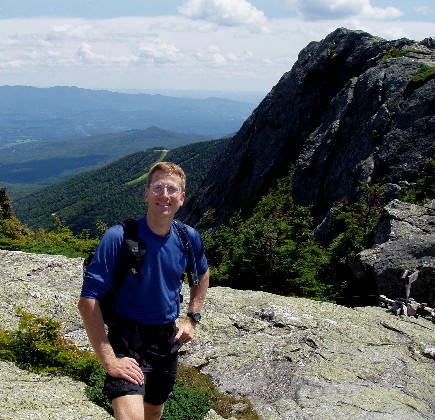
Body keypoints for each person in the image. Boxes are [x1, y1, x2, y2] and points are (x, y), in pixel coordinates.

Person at [78, 162, 210, 420]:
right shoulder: (118, 238)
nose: (165, 195)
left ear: (182, 199)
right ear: (146, 193)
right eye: (158, 187)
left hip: (166, 342)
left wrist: (192, 318)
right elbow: (87, 302)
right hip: (127, 341)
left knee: (154, 411)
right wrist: (109, 361)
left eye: (172, 189)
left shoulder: (188, 238)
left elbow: (202, 274)